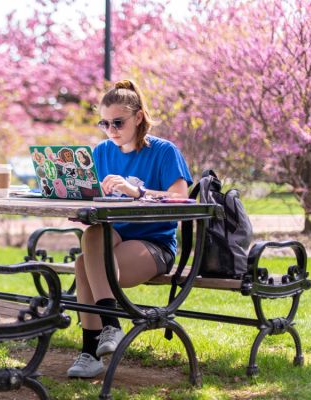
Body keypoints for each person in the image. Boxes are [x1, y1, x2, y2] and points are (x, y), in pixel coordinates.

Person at [67, 79, 193, 378]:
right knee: (92, 237)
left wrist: (137, 192)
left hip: (153, 244)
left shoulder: (164, 151)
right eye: (105, 123)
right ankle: (110, 326)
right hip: (111, 237)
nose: (111, 130)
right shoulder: (101, 152)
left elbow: (181, 198)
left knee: (84, 265)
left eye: (118, 122)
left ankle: (90, 349)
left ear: (138, 117)